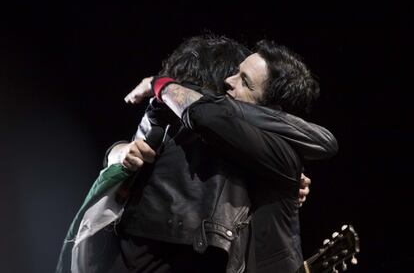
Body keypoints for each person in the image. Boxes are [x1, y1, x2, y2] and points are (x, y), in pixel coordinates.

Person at [57, 34, 337, 273]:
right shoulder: (180, 121)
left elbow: (210, 116)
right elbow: (139, 145)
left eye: (244, 81)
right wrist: (118, 154)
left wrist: (161, 84)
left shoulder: (252, 141)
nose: (229, 82)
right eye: (233, 72)